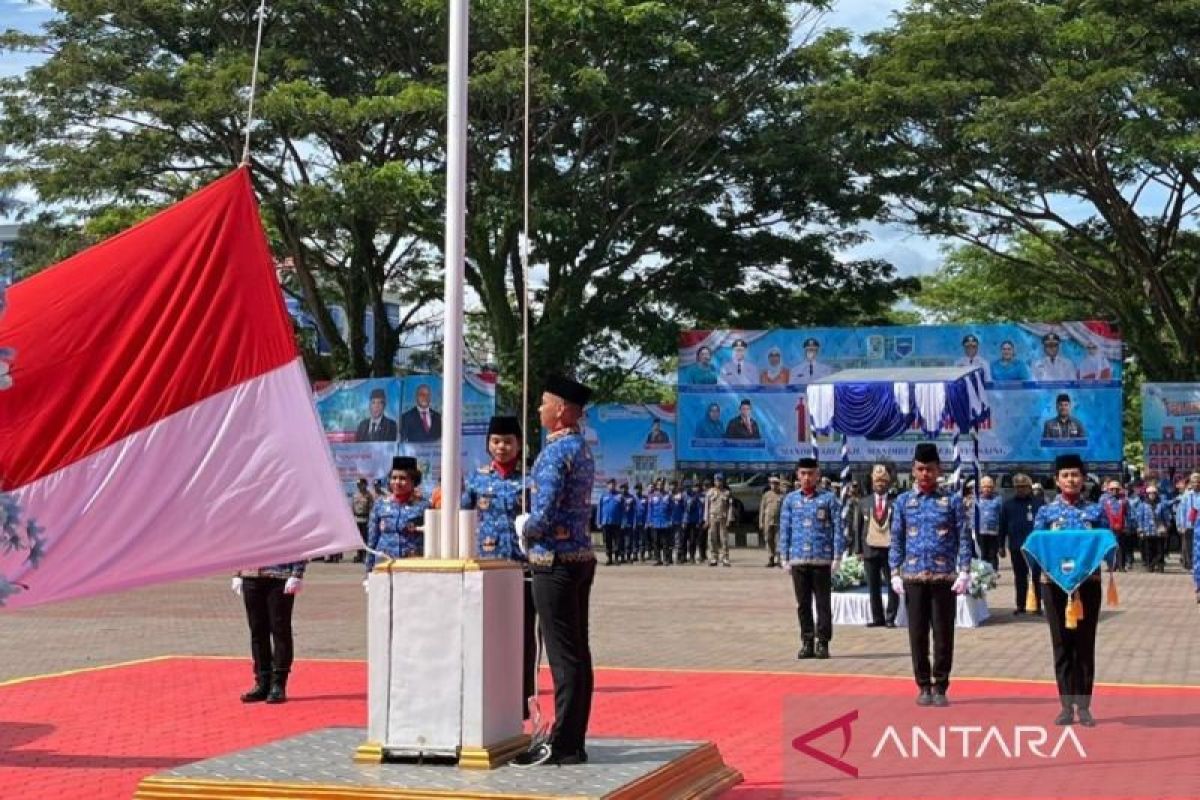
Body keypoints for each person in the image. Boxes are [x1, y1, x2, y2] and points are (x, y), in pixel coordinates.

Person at [512, 374, 596, 767]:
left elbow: (542, 515)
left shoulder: (555, 453)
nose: (540, 408)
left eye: (544, 402)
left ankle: (564, 742)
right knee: (577, 651)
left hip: (553, 561)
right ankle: (573, 737)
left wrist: (523, 527)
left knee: (563, 656)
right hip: (579, 557)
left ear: (561, 410)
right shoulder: (582, 448)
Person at [461, 415, 537, 715]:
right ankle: (487, 702)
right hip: (487, 569)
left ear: (519, 445)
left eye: (508, 441)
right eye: (496, 441)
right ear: (488, 444)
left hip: (523, 569)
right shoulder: (477, 479)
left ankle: (521, 703)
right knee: (486, 636)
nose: (501, 447)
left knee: (523, 638)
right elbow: (462, 516)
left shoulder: (530, 480)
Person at [889, 443, 972, 707]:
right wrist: (894, 570)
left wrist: (965, 570)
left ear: (939, 470)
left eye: (931, 469)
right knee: (917, 634)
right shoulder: (903, 502)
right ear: (913, 470)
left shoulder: (951, 500)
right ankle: (923, 684)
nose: (925, 474)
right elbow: (897, 538)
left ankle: (941, 685)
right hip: (913, 577)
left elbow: (964, 537)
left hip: (943, 577)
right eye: (921, 469)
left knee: (943, 634)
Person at [1032, 453, 1109, 727]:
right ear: (1056, 480)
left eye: (1075, 474)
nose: (1071, 479)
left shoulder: (1096, 511)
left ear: (1084, 478)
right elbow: (1035, 547)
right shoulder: (1045, 512)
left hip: (1088, 586)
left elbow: (1108, 544)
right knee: (1062, 645)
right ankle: (1066, 705)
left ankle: (1084, 706)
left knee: (1085, 646)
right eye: (1065, 475)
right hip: (1054, 587)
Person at [778, 457, 845, 659]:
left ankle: (823, 642)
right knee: (803, 604)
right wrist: (784, 556)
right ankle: (807, 641)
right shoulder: (790, 500)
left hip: (821, 559)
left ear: (818, 475)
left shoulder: (829, 499)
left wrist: (837, 556)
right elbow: (785, 528)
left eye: (811, 474)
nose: (807, 478)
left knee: (823, 603)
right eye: (803, 474)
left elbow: (838, 529)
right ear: (798, 475)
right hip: (798, 559)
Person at [232, 558, 306, 704]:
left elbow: (299, 541)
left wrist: (297, 573)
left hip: (280, 575)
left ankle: (278, 682)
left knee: (280, 629)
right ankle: (262, 681)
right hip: (251, 574)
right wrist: (236, 573)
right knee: (257, 630)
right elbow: (239, 541)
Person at [849, 464, 899, 627]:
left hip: (890, 550)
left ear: (888, 482)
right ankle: (878, 618)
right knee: (873, 586)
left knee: (893, 585)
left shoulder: (895, 502)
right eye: (877, 481)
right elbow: (858, 528)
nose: (880, 483)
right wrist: (858, 550)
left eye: (883, 481)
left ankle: (890, 618)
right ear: (872, 482)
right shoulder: (864, 502)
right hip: (869, 549)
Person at [365, 456, 429, 570]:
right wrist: (369, 570)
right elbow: (372, 540)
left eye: (402, 478)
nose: (397, 482)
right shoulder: (380, 505)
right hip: (384, 564)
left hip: (412, 564)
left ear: (413, 481)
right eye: (394, 478)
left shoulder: (423, 506)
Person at [998, 473, 1044, 615]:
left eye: (1024, 487)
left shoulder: (1039, 503)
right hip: (1016, 546)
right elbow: (1002, 526)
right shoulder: (1008, 505)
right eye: (1018, 487)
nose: (1021, 489)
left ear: (1029, 487)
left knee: (1035, 576)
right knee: (1019, 577)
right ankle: (1021, 605)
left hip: (1034, 547)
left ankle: (1036, 605)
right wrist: (1001, 545)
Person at [1098, 479, 1131, 571]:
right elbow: (1100, 513)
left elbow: (1129, 514)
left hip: (1121, 527)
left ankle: (1121, 566)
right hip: (1108, 527)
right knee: (1110, 547)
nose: (1114, 491)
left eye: (1116, 489)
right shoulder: (1103, 499)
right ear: (1109, 489)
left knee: (1121, 547)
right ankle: (1111, 566)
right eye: (1112, 489)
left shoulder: (1124, 500)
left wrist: (1128, 526)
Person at [706, 473, 735, 567]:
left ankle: (725, 558)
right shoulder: (710, 492)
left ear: (723, 481)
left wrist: (730, 518)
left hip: (723, 518)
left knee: (724, 539)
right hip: (712, 518)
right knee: (712, 538)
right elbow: (706, 506)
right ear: (714, 481)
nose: (718, 482)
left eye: (720, 480)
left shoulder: (727, 492)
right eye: (716, 480)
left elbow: (730, 507)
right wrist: (706, 519)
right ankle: (714, 557)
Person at [974, 476, 1003, 570]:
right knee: (983, 554)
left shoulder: (998, 499)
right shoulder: (977, 500)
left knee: (993, 555)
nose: (987, 489)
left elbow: (1001, 515)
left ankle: (993, 574)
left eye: (990, 487)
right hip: (980, 532)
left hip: (994, 532)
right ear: (981, 488)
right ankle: (983, 576)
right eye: (985, 487)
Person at [1139, 485, 1169, 573]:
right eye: (1150, 494)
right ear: (1147, 495)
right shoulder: (1143, 505)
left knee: (1160, 550)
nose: (1152, 495)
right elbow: (1140, 518)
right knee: (1149, 550)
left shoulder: (1161, 504)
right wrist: (1140, 529)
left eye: (1153, 493)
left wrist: (1167, 526)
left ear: (1156, 494)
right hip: (1148, 531)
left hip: (1159, 531)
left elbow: (1166, 517)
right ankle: (1150, 566)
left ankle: (1160, 566)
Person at [596, 478, 623, 566]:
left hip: (617, 522)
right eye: (610, 484)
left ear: (615, 485)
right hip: (606, 522)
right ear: (607, 486)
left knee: (617, 542)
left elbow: (623, 510)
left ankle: (616, 559)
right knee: (608, 541)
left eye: (613, 484)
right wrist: (598, 522)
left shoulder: (619, 496)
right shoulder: (603, 495)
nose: (612, 486)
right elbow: (599, 509)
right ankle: (609, 558)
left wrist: (623, 522)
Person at [759, 476, 785, 567]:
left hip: (779, 521)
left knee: (778, 540)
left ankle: (778, 559)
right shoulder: (766, 495)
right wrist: (761, 522)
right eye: (772, 484)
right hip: (768, 520)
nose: (774, 485)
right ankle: (771, 558)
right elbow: (762, 509)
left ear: (778, 485)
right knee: (768, 539)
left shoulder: (782, 495)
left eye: (776, 484)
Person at [646, 480, 672, 566]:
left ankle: (665, 559)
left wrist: (670, 520)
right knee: (655, 541)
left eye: (661, 484)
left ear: (663, 485)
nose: (660, 486)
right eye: (658, 484)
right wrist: (649, 521)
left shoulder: (668, 496)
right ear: (656, 486)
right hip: (655, 522)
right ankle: (658, 559)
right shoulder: (652, 496)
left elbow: (671, 509)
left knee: (665, 542)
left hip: (665, 522)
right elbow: (650, 510)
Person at [350, 478, 373, 563]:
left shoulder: (368, 495)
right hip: (357, 519)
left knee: (365, 538)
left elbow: (371, 508)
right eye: (358, 485)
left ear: (365, 485)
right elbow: (352, 507)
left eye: (360, 484)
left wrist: (371, 520)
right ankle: (359, 555)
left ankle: (364, 555)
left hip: (365, 519)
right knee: (358, 538)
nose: (359, 486)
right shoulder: (355, 495)